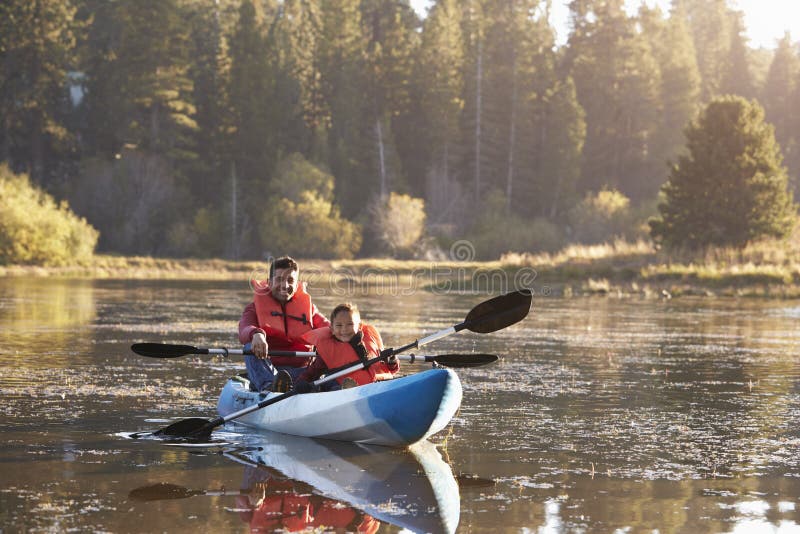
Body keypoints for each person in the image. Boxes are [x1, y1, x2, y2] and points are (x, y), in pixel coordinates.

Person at [238, 256, 329, 392]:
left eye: (290, 280)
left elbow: (330, 329)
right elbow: (245, 328)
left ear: (297, 283)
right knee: (249, 346)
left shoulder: (310, 309)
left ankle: (337, 385)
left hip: (303, 373)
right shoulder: (253, 308)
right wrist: (256, 334)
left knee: (333, 343)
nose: (285, 285)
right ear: (269, 282)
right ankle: (271, 388)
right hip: (270, 372)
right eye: (279, 279)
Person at [295, 303, 399, 392]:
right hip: (342, 390)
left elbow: (391, 368)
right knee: (332, 385)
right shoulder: (328, 350)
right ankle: (346, 389)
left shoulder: (370, 341)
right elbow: (312, 373)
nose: (344, 329)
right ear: (332, 329)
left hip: (377, 386)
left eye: (350, 324)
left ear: (359, 326)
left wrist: (392, 361)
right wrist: (302, 383)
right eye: (339, 325)